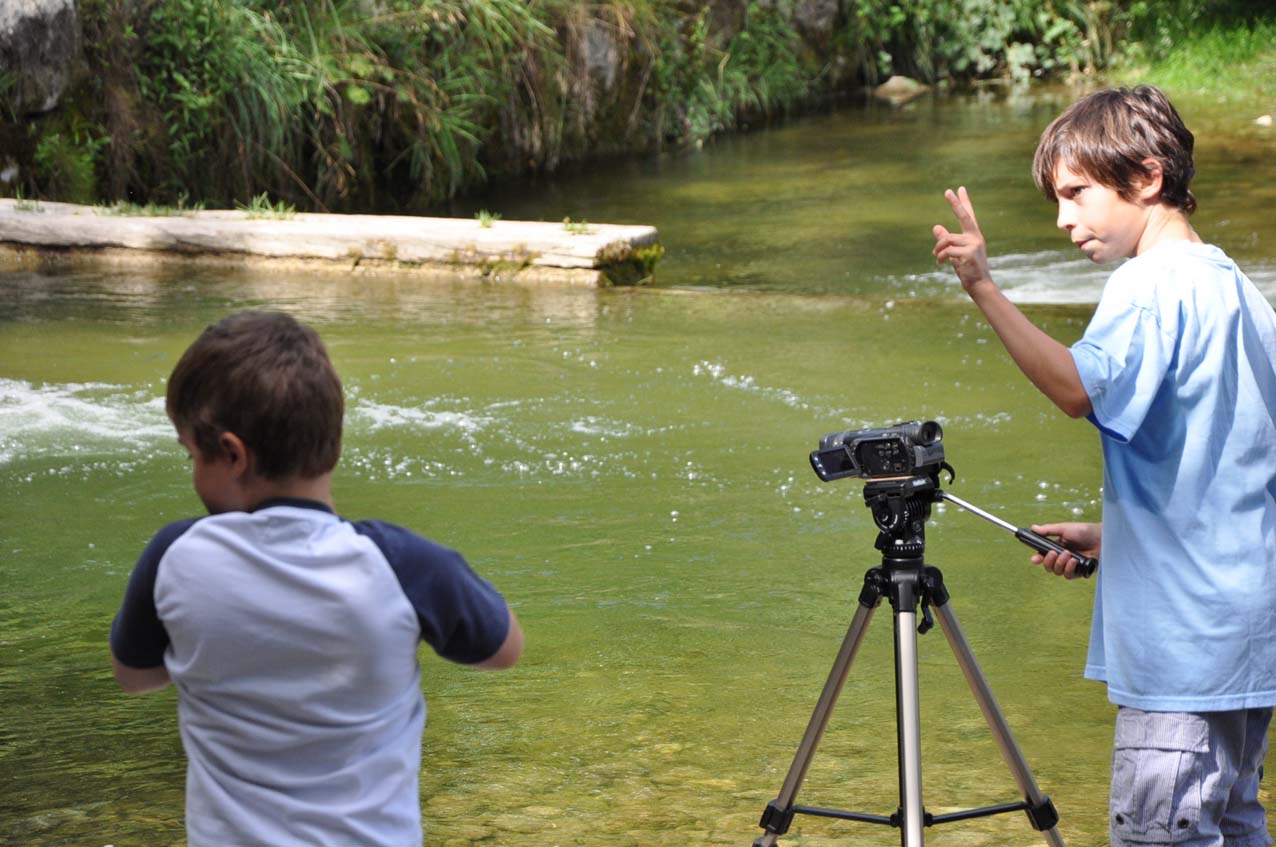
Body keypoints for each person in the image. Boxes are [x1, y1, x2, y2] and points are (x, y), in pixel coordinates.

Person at [933, 85, 1276, 847]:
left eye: (1077, 193)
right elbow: (1240, 477)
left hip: (1180, 654)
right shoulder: (1243, 295)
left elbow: (1075, 388)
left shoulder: (1148, 284)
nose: (1064, 218)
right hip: (1245, 649)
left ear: (1147, 178)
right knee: (1234, 826)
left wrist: (982, 285)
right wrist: (1115, 537)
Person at [109, 310, 524, 847]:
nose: (193, 472)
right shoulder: (403, 565)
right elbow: (504, 649)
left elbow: (135, 677)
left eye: (191, 455)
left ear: (232, 454)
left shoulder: (175, 555)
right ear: (334, 436)